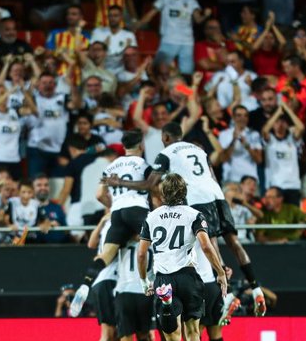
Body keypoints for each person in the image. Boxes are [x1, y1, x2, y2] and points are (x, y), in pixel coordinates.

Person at [111, 122, 268, 317]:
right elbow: (212, 176)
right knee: (234, 242)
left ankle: (226, 297)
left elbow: (148, 184)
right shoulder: (198, 149)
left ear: (166, 137)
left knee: (209, 244)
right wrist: (219, 198)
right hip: (216, 194)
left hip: (197, 198)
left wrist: (119, 182)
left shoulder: (166, 154)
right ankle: (256, 289)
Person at [137, 173, 227, 341]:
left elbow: (141, 254)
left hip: (163, 278)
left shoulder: (152, 217)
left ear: (162, 193)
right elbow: (206, 246)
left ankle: (167, 304)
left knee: (172, 339)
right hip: (188, 277)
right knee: (193, 332)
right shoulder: (195, 214)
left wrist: (143, 280)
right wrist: (220, 272)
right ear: (184, 192)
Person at [71, 130, 151, 317]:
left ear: (123, 147)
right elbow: (153, 188)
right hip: (138, 209)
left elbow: (99, 194)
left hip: (117, 213)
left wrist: (114, 204)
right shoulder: (143, 164)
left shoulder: (110, 166)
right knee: (158, 241)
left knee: (105, 254)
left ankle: (85, 284)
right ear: (141, 145)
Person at [76, 213, 124, 341]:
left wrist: (102, 220)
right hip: (108, 280)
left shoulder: (109, 222)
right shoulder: (123, 221)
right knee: (109, 336)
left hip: (104, 281)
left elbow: (90, 244)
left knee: (116, 337)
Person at [133, 0, 210, 75]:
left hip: (187, 42)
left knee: (186, 73)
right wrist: (137, 25)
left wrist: (206, 14)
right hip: (168, 41)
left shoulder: (191, 1)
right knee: (158, 71)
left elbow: (198, 19)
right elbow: (150, 15)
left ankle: (183, 91)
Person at [113, 234, 157, 341]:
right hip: (145, 291)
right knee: (146, 338)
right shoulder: (154, 243)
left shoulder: (123, 240)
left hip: (124, 290)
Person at [192, 242, 235, 341]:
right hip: (213, 286)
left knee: (194, 335)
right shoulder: (204, 228)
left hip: (197, 286)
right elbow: (212, 246)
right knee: (216, 337)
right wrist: (222, 269)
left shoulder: (182, 226)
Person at [0, 85, 37, 180]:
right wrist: (8, 92)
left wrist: (24, 91)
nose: (5, 96)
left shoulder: (15, 112)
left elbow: (34, 111)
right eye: (1, 94)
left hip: (14, 159)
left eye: (5, 94)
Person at [27, 73, 72, 176]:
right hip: (37, 148)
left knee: (58, 182)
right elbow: (24, 107)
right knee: (36, 181)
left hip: (59, 149)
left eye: (50, 83)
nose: (47, 85)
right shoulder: (32, 99)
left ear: (55, 85)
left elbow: (76, 104)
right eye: (44, 83)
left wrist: (72, 86)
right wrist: (29, 88)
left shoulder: (62, 97)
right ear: (38, 85)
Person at [261, 102, 305, 205]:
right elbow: (265, 130)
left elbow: (301, 128)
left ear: (287, 124)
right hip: (274, 186)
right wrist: (278, 112)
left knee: (292, 220)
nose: (280, 124)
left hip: (293, 186)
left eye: (283, 122)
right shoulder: (270, 140)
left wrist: (286, 108)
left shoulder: (292, 140)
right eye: (276, 122)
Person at [218, 105, 263, 184]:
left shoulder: (254, 134)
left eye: (245, 116)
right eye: (239, 115)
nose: (242, 118)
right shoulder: (224, 134)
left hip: (250, 179)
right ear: (233, 117)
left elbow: (259, 160)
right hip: (231, 179)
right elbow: (223, 159)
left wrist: (247, 145)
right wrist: (233, 140)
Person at [90, 5, 137, 76]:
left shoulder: (129, 35)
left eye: (115, 16)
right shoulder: (98, 32)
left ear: (121, 17)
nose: (112, 18)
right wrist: (103, 47)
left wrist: (127, 49)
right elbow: (91, 54)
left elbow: (134, 59)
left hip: (121, 71)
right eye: (110, 16)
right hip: (101, 69)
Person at [33, 174, 69, 244]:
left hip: (59, 249)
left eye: (46, 185)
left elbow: (67, 230)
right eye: (39, 185)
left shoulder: (57, 207)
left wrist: (56, 226)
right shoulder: (28, 207)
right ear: (33, 188)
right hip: (34, 249)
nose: (43, 188)